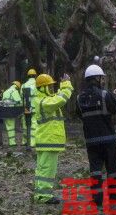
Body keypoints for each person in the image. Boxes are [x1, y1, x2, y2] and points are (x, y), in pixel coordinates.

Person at [76, 64, 116, 207]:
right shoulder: (105, 94)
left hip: (91, 141)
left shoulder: (79, 98)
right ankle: (114, 198)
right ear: (96, 78)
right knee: (113, 170)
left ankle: (97, 200)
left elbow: (80, 115)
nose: (103, 80)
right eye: (101, 78)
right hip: (108, 140)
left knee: (95, 171)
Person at [32, 73, 74, 204]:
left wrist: (62, 86)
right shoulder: (43, 101)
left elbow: (56, 98)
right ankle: (44, 196)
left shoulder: (43, 99)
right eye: (49, 86)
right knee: (47, 169)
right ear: (42, 88)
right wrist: (67, 85)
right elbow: (60, 100)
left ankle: (40, 194)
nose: (51, 89)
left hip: (46, 140)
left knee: (42, 168)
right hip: (48, 141)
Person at [1, 81, 23, 146]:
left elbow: (3, 102)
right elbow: (19, 102)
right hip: (11, 111)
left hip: (5, 111)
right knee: (12, 127)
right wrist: (20, 111)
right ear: (17, 87)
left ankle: (11, 142)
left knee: (8, 127)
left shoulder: (5, 92)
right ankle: (12, 143)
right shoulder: (14, 91)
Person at [22, 68, 38, 147]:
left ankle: (25, 141)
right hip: (35, 106)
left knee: (26, 123)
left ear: (28, 76)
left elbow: (22, 96)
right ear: (35, 76)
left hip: (26, 107)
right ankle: (32, 142)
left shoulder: (24, 85)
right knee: (34, 123)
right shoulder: (37, 84)